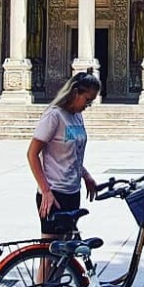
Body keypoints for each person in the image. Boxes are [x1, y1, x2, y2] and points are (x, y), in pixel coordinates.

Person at [27, 71, 101, 239]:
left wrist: (86, 175)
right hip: (54, 193)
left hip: (72, 192)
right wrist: (46, 191)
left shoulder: (77, 117)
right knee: (49, 254)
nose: (87, 105)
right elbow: (32, 154)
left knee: (66, 253)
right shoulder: (54, 116)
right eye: (87, 100)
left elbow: (72, 154)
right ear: (76, 93)